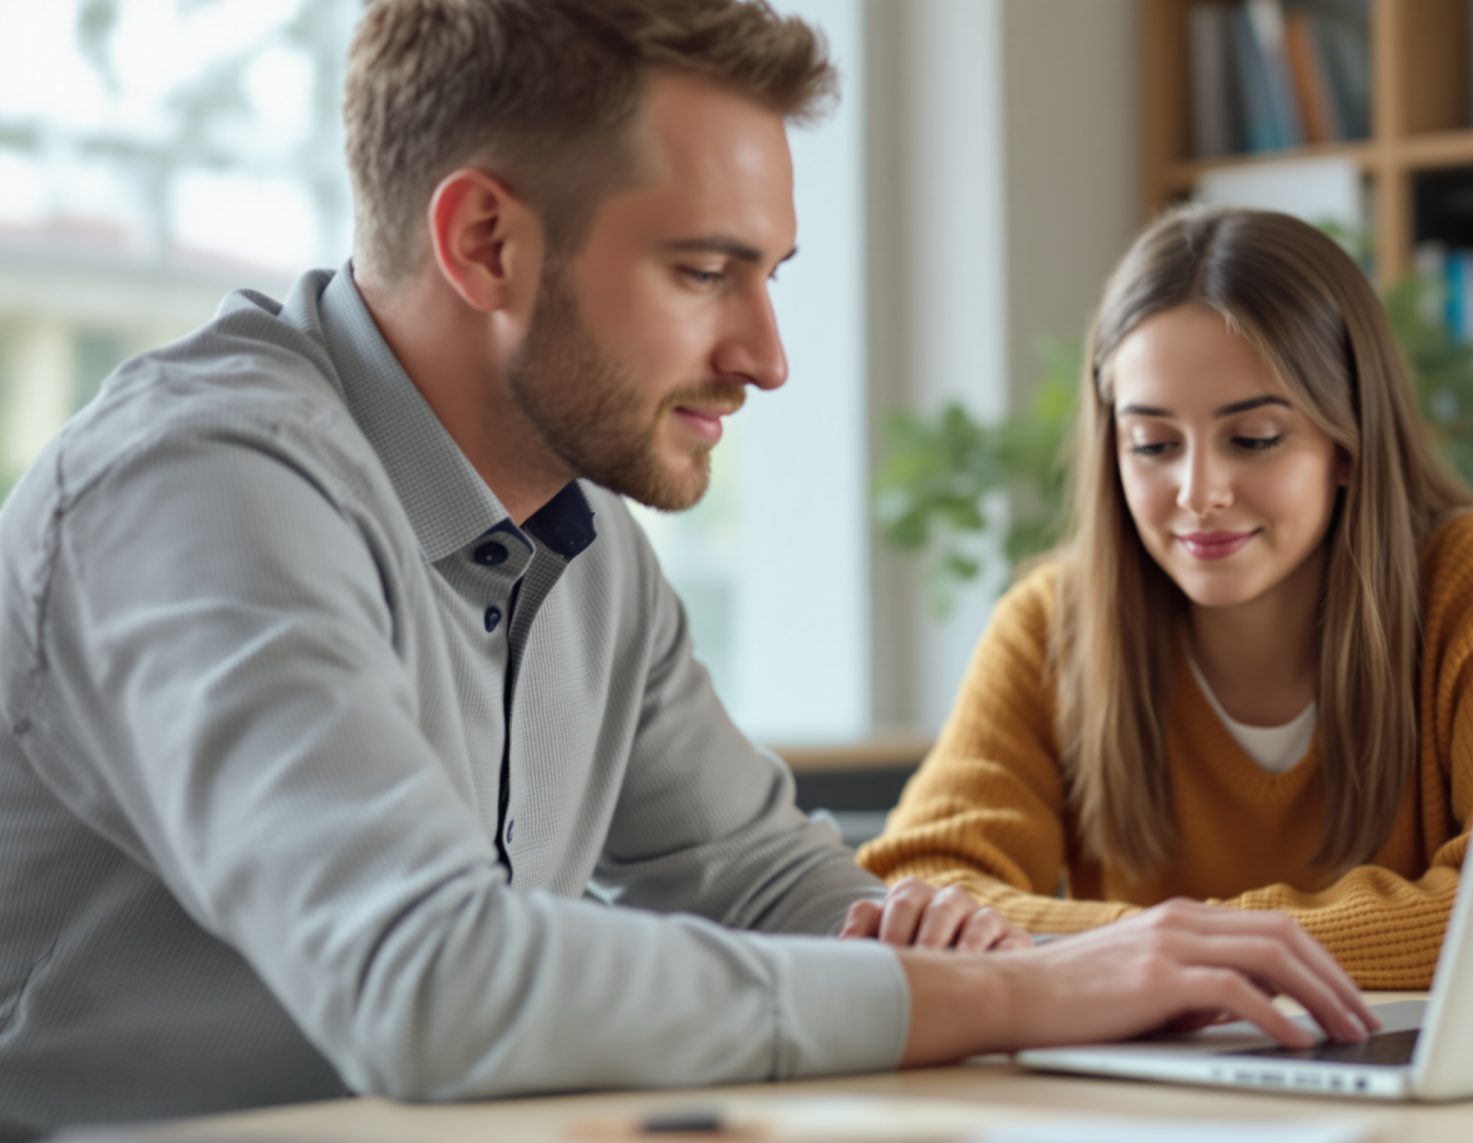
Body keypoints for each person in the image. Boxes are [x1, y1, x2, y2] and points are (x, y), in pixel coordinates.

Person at [0, 4, 1375, 1137]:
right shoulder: (200, 487)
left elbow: (759, 873)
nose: (769, 355)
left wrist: (1002, 960)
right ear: (485, 240)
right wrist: (1024, 999)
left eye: (772, 274)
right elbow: (429, 980)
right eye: (708, 271)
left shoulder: (576, 534)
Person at [857, 207, 1473, 988]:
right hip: (1149, 1092)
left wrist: (1171, 949)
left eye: (1253, 438)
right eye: (1152, 445)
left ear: (1347, 442)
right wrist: (1154, 948)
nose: (1199, 493)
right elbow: (911, 891)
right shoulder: (1054, 622)